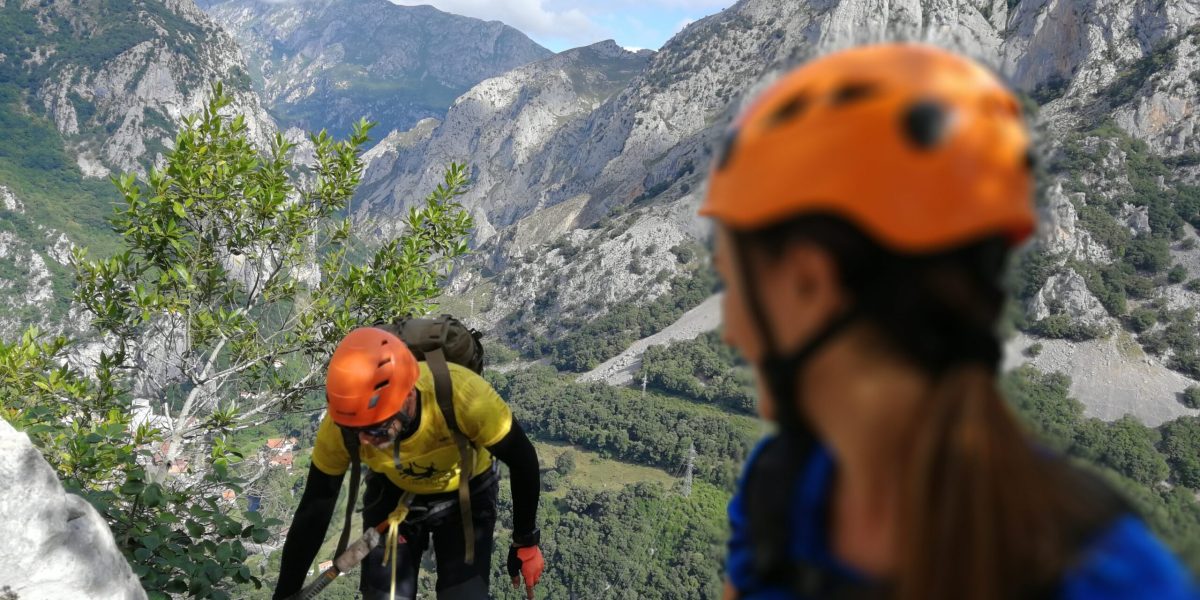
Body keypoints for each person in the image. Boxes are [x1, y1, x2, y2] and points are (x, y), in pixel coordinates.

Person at [700, 44, 1199, 600]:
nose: (729, 332)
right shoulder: (781, 489)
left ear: (809, 283)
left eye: (731, 283)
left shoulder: (1111, 580)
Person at [272, 327, 544, 600]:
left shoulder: (465, 396)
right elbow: (314, 509)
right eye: (355, 431)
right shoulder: (343, 425)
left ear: (409, 397)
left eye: (376, 430)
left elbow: (523, 460)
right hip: (393, 495)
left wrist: (525, 542)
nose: (365, 441)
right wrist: (285, 594)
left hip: (466, 490)